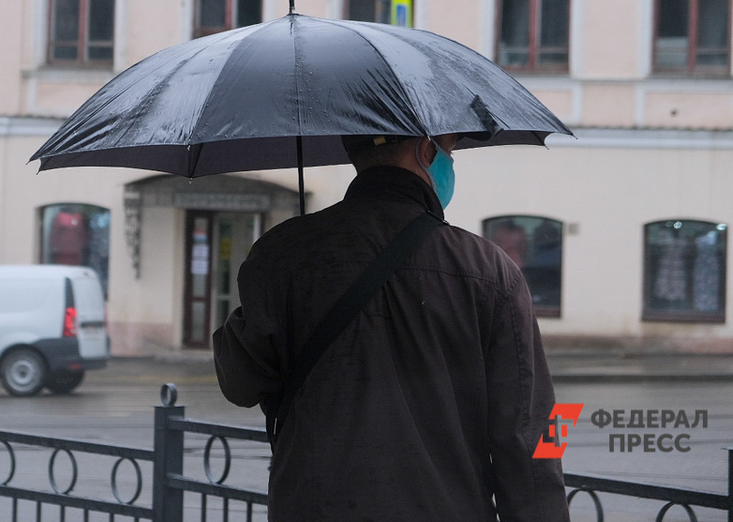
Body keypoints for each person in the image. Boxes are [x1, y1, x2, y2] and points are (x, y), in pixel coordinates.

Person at [213, 133, 569, 521]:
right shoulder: (491, 271)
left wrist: (273, 283)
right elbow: (536, 432)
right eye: (447, 151)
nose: (449, 163)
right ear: (425, 149)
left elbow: (240, 382)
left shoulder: (281, 253)